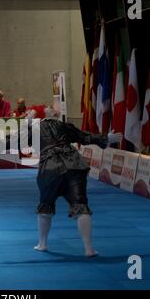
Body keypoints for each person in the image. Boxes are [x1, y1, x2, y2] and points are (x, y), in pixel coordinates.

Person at [34, 107, 122, 257]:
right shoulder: (65, 126)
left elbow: (11, 141)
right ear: (56, 116)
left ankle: (42, 243)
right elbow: (85, 137)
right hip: (74, 166)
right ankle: (89, 249)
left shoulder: (34, 128)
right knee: (81, 205)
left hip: (50, 168)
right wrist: (107, 137)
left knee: (45, 205)